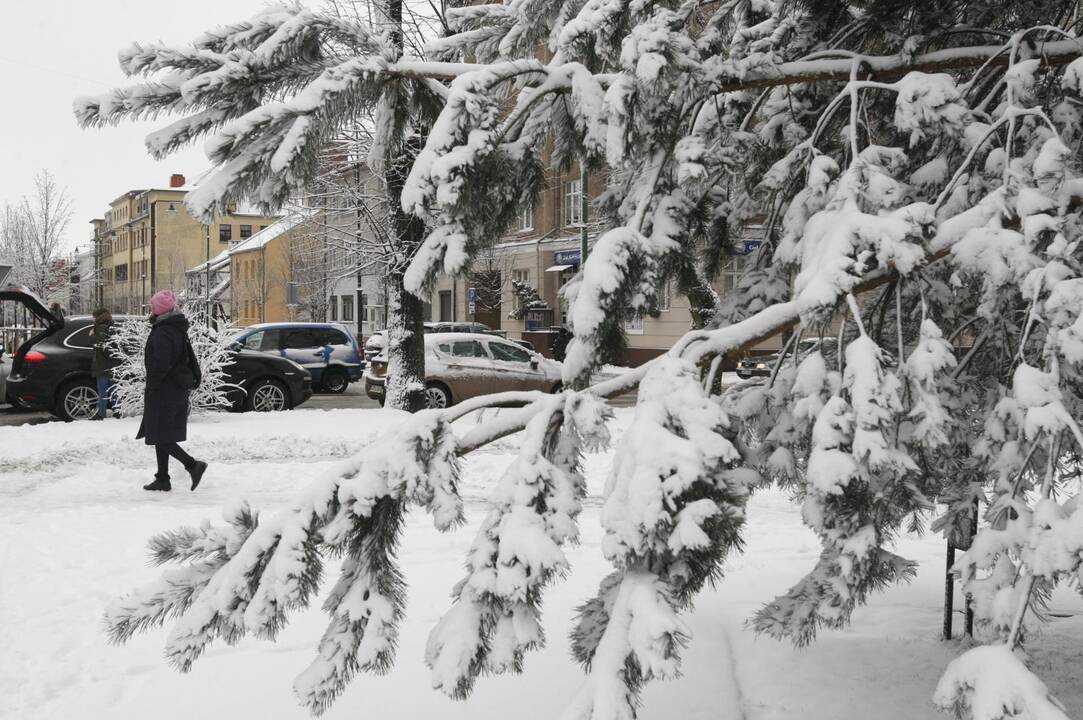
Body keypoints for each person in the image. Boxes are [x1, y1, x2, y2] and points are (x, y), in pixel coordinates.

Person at [136, 290, 208, 492]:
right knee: (162, 432)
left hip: (164, 390)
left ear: (159, 310)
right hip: (173, 389)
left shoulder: (163, 332)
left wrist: (153, 386)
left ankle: (193, 465)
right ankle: (162, 478)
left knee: (159, 434)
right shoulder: (174, 328)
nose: (150, 310)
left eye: (152, 307)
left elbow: (161, 364)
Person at [89, 308, 120, 420]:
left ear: (98, 316)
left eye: (94, 317)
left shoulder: (100, 326)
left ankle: (101, 413)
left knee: (103, 391)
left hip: (103, 364)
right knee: (113, 390)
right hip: (113, 363)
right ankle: (117, 411)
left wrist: (92, 335)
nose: (93, 319)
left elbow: (101, 343)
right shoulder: (111, 325)